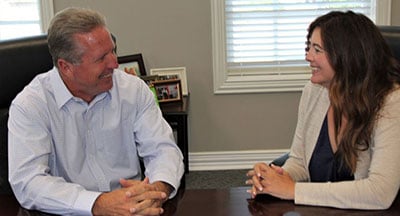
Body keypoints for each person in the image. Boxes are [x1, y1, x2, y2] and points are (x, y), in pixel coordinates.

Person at [8, 7, 184, 215]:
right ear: (66, 67)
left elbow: (163, 149)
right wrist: (97, 203)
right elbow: (28, 182)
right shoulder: (31, 105)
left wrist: (157, 190)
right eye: (101, 58)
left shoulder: (133, 90)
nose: (114, 63)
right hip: (69, 211)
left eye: (113, 50)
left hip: (134, 206)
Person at [246, 11, 400, 210]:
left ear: (346, 56)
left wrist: (293, 191)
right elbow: (300, 161)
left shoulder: (391, 102)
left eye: (317, 49)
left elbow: (380, 192)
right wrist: (276, 176)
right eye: (308, 47)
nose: (308, 56)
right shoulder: (314, 91)